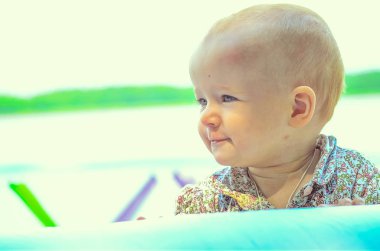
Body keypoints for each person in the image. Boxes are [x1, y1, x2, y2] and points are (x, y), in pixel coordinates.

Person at [175, 3, 379, 214]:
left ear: (297, 109)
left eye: (227, 98)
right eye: (203, 101)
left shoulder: (359, 182)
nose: (207, 116)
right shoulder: (206, 202)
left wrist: (360, 229)